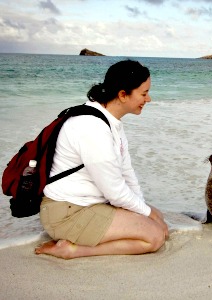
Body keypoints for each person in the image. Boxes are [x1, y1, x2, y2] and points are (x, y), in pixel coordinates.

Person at [35, 60, 169, 259]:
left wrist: (144, 209)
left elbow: (126, 173)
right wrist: (147, 213)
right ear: (123, 94)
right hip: (66, 214)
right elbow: (115, 192)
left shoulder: (111, 121)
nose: (148, 99)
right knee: (155, 237)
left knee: (159, 222)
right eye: (143, 93)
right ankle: (71, 250)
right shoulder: (92, 127)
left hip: (90, 205)